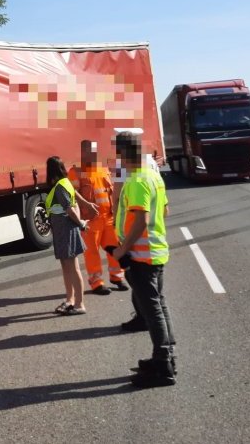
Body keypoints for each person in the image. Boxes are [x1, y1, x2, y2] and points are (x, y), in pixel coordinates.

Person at [111, 132, 177, 387]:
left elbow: (141, 219)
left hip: (142, 256)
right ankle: (167, 357)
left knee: (152, 311)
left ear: (123, 154)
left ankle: (162, 365)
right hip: (155, 251)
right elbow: (165, 211)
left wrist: (122, 248)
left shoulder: (137, 180)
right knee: (159, 306)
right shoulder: (154, 176)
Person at [68, 139, 128, 295]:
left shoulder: (103, 168)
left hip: (108, 217)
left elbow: (114, 187)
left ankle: (116, 277)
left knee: (114, 248)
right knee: (92, 253)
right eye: (89, 151)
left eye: (94, 151)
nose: (93, 154)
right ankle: (97, 283)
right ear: (83, 153)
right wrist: (87, 205)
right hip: (91, 220)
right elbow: (71, 192)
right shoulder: (76, 171)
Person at [45, 156, 88, 315]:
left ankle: (79, 304)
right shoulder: (65, 183)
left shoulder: (60, 186)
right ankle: (70, 299)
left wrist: (80, 223)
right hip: (63, 230)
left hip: (66, 230)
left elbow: (70, 208)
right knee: (67, 266)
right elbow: (75, 201)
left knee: (73, 267)